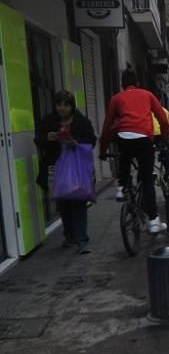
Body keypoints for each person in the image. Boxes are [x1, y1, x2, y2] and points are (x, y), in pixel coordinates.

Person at [99, 68, 169, 234]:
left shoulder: (116, 98)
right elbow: (162, 119)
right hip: (144, 139)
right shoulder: (147, 95)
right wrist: (165, 139)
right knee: (146, 179)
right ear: (137, 83)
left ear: (122, 85)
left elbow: (107, 127)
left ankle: (122, 187)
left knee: (124, 158)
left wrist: (102, 151)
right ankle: (153, 221)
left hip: (123, 137)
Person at [34, 91, 97, 254]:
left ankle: (82, 240)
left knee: (78, 203)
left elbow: (91, 140)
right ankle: (69, 236)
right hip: (55, 166)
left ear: (71, 105)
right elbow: (38, 140)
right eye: (59, 104)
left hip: (76, 168)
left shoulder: (81, 121)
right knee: (63, 203)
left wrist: (75, 142)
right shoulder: (49, 121)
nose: (62, 108)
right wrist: (48, 138)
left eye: (66, 104)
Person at [152, 101, 169, 176]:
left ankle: (150, 170)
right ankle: (168, 172)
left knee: (149, 156)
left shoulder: (147, 111)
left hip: (151, 135)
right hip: (163, 135)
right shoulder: (165, 111)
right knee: (166, 155)